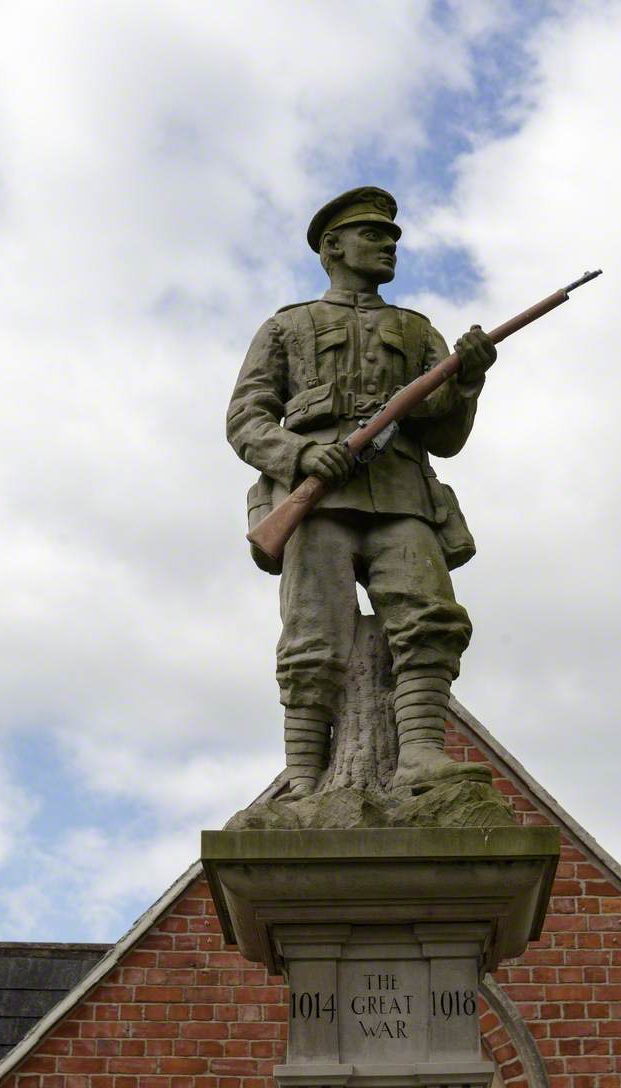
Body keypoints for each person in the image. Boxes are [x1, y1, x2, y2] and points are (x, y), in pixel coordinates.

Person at [227, 187, 497, 796]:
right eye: (374, 235)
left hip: (401, 494)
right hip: (316, 500)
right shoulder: (288, 327)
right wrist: (298, 454)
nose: (389, 245)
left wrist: (469, 380)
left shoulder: (416, 330)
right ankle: (303, 777)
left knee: (429, 618)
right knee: (311, 634)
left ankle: (422, 755)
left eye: (393, 237)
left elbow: (447, 436)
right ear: (332, 246)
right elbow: (246, 417)